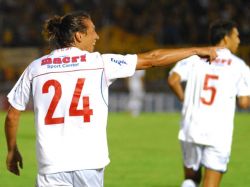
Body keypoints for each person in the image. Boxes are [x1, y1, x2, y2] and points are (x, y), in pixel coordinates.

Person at [5, 11, 218, 187]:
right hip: (89, 163)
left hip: (51, 166)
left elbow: (13, 114)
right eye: (93, 31)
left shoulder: (36, 68)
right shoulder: (100, 63)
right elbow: (153, 59)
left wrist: (12, 150)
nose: (97, 36)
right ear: (79, 36)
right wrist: (194, 50)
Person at [168, 19, 250, 187]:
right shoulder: (240, 66)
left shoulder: (195, 58)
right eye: (236, 36)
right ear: (226, 39)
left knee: (191, 180)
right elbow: (243, 102)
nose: (239, 40)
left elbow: (173, 80)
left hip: (191, 126)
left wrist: (185, 100)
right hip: (218, 133)